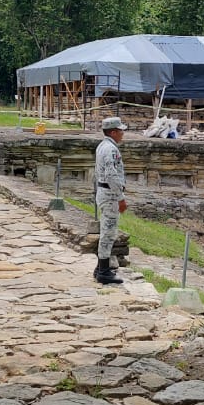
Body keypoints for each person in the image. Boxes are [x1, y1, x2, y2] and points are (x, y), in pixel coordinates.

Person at [93, 116, 129, 284]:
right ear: (113, 132)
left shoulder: (103, 146)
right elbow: (111, 175)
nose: (122, 134)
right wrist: (121, 198)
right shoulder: (111, 149)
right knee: (108, 233)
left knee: (106, 231)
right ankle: (104, 272)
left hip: (104, 192)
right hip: (110, 195)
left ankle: (101, 266)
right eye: (121, 131)